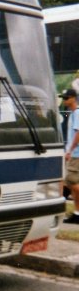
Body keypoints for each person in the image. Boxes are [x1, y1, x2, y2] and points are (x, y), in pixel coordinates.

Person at [60, 88, 79, 224]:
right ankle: (76, 213)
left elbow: (78, 134)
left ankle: (77, 213)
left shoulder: (77, 113)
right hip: (73, 153)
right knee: (68, 182)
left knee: (72, 182)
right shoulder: (73, 114)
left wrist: (70, 151)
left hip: (76, 154)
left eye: (66, 98)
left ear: (73, 98)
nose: (64, 100)